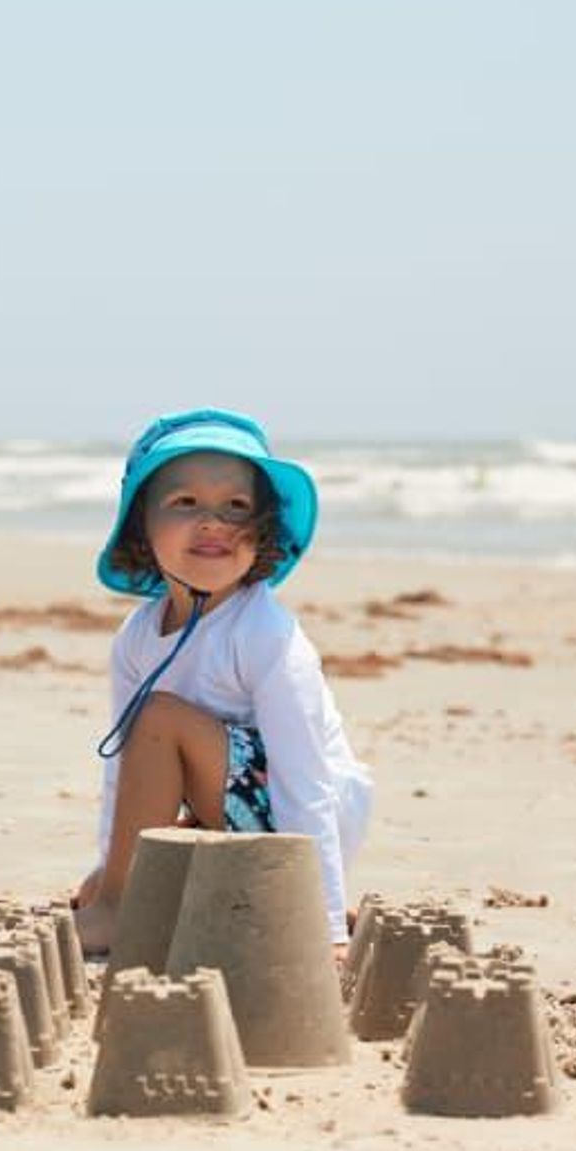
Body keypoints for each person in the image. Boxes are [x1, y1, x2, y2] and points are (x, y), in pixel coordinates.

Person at [69, 409, 372, 961]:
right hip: (229, 807)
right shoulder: (137, 638)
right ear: (142, 526)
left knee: (160, 717)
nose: (212, 521)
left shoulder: (265, 633)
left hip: (305, 814)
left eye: (235, 506)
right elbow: (124, 768)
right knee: (96, 885)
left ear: (264, 532)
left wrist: (323, 925)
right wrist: (109, 875)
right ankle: (118, 901)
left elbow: (305, 778)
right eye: (184, 503)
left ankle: (306, 904)